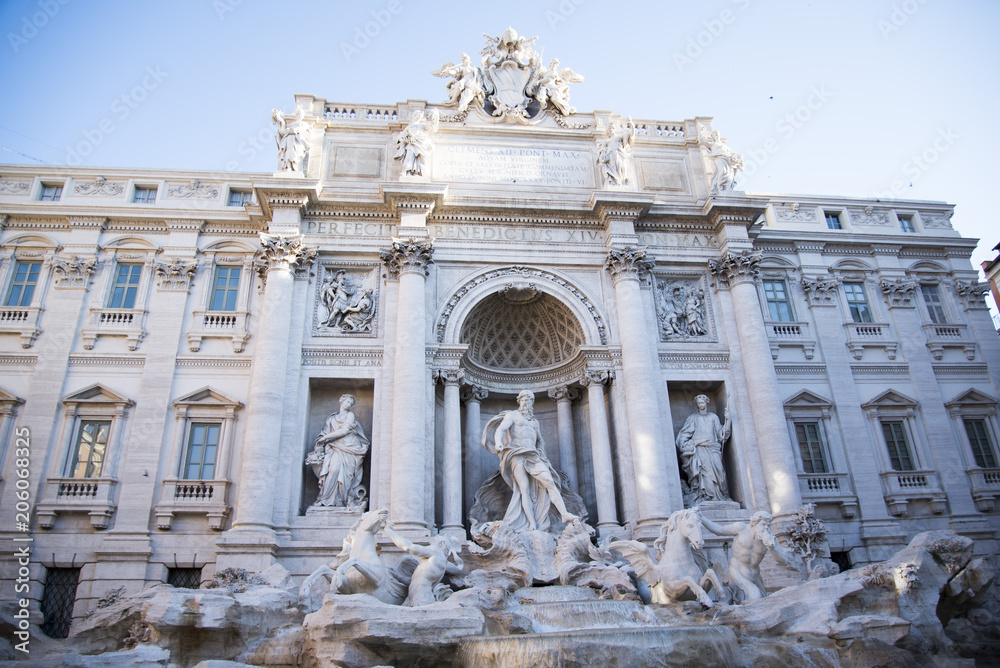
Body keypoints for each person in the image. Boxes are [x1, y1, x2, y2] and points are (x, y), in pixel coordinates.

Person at [483, 390, 578, 533]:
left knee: (550, 482)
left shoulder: (534, 422)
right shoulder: (512, 415)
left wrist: (542, 453)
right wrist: (498, 443)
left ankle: (564, 514)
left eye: (529, 400)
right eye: (524, 399)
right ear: (519, 401)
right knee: (524, 489)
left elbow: (540, 441)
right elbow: (501, 429)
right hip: (517, 454)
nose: (526, 402)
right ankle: (531, 523)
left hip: (533, 455)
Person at [699, 511, 798, 603]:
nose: (766, 528)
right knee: (755, 598)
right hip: (737, 572)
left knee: (765, 602)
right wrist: (702, 518)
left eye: (768, 525)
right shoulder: (741, 528)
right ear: (753, 524)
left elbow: (784, 561)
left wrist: (772, 548)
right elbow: (719, 530)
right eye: (763, 525)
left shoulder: (770, 540)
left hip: (755, 576)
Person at [306, 394, 370, 507]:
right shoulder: (331, 418)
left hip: (350, 447)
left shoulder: (350, 415)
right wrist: (321, 441)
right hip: (335, 447)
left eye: (351, 403)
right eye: (347, 402)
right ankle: (326, 499)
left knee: (346, 475)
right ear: (341, 401)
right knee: (333, 470)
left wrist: (325, 438)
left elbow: (344, 430)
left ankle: (341, 500)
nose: (348, 405)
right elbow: (324, 432)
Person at [383, 522, 464, 606]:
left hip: (421, 598)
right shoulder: (441, 562)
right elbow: (416, 580)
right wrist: (397, 576)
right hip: (420, 597)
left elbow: (408, 546)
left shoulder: (435, 552)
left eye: (434, 542)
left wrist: (389, 531)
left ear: (441, 544)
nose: (431, 544)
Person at [675, 394, 731, 502]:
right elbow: (684, 435)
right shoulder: (693, 418)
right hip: (700, 449)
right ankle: (708, 496)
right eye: (699, 403)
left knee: (719, 472)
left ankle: (721, 495)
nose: (701, 405)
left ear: (706, 403)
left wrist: (728, 421)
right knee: (705, 473)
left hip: (713, 448)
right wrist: (686, 444)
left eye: (702, 402)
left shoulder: (713, 417)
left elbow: (721, 435)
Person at [393, 109, 439, 176]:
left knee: (421, 158)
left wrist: (436, 116)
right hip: (411, 143)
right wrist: (404, 139)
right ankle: (406, 171)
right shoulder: (409, 126)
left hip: (419, 143)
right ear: (414, 116)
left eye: (420, 115)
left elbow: (432, 126)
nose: (419, 116)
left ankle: (418, 172)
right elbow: (402, 135)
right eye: (418, 115)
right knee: (409, 157)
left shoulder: (422, 125)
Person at [598, 118, 635, 186]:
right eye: (609, 130)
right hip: (611, 156)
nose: (610, 130)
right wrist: (603, 158)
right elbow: (601, 151)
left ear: (614, 129)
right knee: (613, 169)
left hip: (619, 154)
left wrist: (632, 126)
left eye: (611, 129)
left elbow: (631, 135)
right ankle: (616, 181)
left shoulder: (619, 137)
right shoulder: (606, 141)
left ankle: (622, 181)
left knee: (622, 167)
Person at [272, 108, 309, 173]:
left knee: (294, 153)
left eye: (300, 114)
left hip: (297, 141)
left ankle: (294, 167)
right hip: (289, 140)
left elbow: (300, 129)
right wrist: (279, 120)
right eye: (298, 114)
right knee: (289, 152)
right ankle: (288, 166)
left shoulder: (304, 124)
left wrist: (293, 130)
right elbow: (283, 131)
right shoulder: (291, 124)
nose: (299, 115)